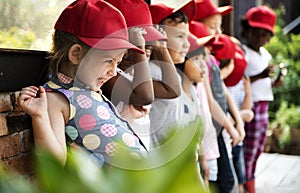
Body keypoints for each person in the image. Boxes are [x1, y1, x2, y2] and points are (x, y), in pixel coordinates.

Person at [17, 0, 148, 169]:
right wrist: (39, 117)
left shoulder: (90, 89)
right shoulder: (55, 99)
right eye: (109, 61)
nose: (114, 72)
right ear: (76, 54)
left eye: (118, 63)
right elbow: (55, 163)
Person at [187, 1, 246, 192]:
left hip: (216, 129)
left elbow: (217, 93)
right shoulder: (193, 73)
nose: (218, 32)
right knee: (223, 181)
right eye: (212, 27)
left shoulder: (207, 61)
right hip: (210, 133)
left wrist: (236, 121)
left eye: (219, 26)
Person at [101, 0, 168, 149]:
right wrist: (140, 49)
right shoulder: (109, 77)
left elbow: (172, 90)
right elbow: (145, 97)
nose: (147, 46)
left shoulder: (133, 77)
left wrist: (162, 50)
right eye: (142, 40)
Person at [240, 6, 279, 193]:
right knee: (249, 148)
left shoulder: (265, 54)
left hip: (264, 106)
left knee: (258, 148)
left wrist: (273, 82)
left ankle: (251, 179)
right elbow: (242, 81)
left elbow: (264, 84)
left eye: (264, 34)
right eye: (255, 33)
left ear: (269, 37)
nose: (259, 38)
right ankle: (246, 182)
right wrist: (261, 75)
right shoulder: (243, 53)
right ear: (246, 30)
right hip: (250, 106)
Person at [214, 34, 254, 193]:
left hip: (235, 140)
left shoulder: (236, 83)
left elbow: (247, 110)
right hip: (224, 140)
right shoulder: (217, 82)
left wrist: (248, 91)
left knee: (237, 180)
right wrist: (239, 119)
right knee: (229, 180)